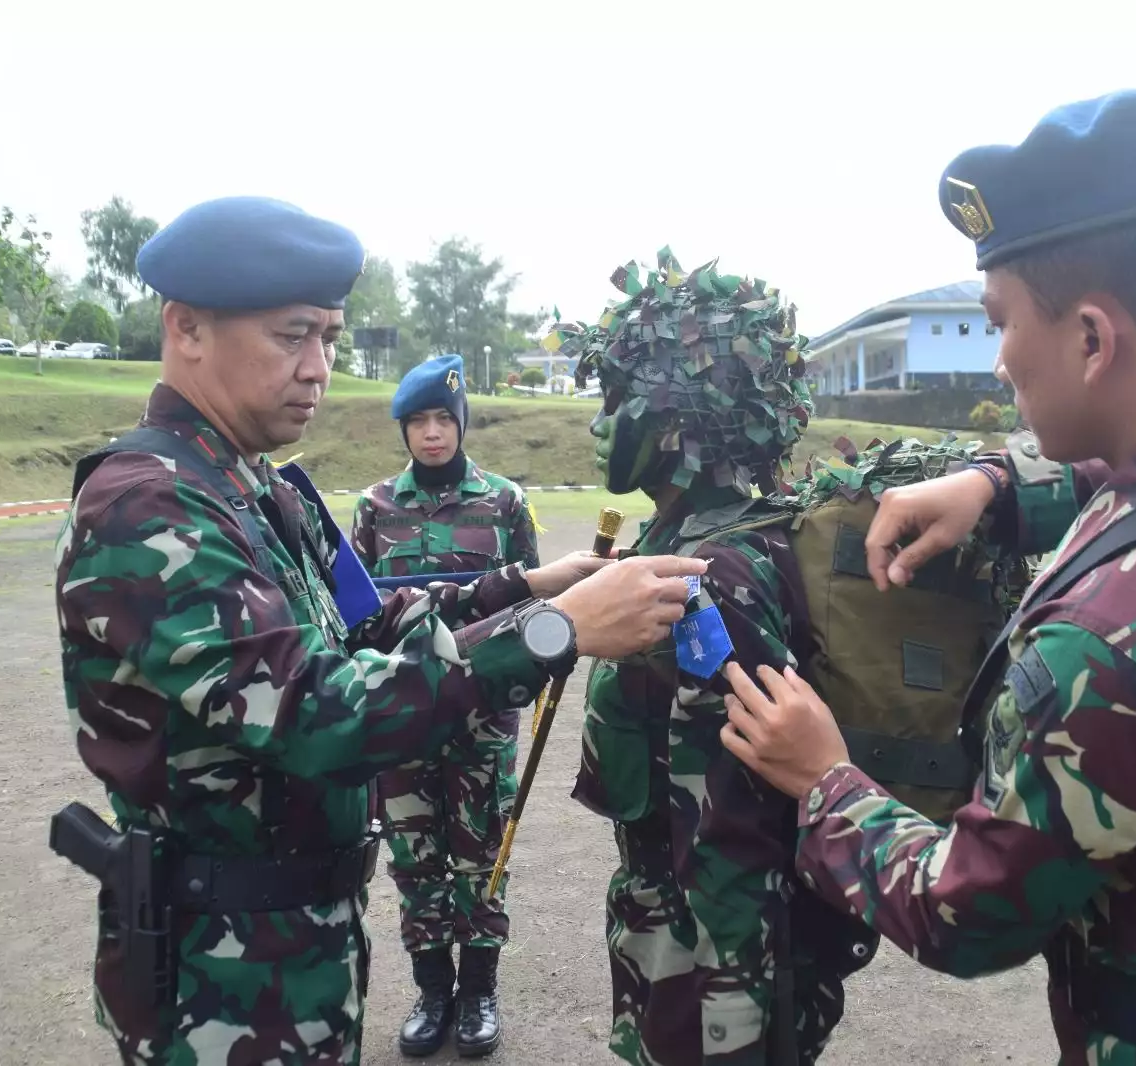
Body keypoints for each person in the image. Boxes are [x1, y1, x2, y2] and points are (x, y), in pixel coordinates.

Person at [717, 90, 1136, 1064]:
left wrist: (824, 778)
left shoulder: (1106, 640)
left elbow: (969, 913)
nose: (998, 359)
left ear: (1091, 338)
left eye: (1001, 321)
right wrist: (995, 484)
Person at [51, 196, 709, 1066]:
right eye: (293, 336)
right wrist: (554, 632)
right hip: (217, 973)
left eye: (330, 337)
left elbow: (370, 620)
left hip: (299, 943)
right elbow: (318, 713)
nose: (319, 367)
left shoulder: (263, 490)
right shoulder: (147, 508)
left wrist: (524, 587)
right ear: (187, 329)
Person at [549, 249, 1023, 1066]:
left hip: (709, 968)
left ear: (674, 420)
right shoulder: (702, 540)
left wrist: (735, 1022)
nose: (601, 423)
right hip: (677, 934)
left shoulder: (707, 576)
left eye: (615, 400)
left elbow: (731, 820)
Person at [350, 352, 538, 1057]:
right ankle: (433, 990)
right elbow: (355, 613)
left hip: (483, 712)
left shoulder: (504, 502)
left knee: (482, 851)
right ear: (404, 430)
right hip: (399, 714)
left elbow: (531, 601)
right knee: (413, 851)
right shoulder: (374, 508)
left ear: (460, 423)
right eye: (417, 421)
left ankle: (479, 992)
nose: (431, 434)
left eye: (442, 419)